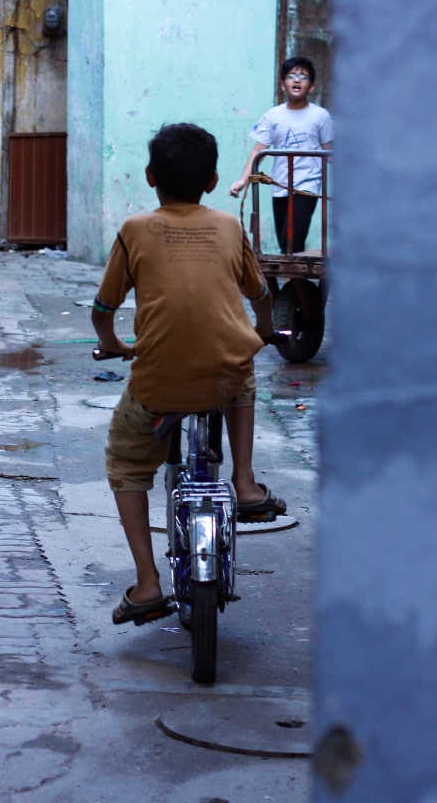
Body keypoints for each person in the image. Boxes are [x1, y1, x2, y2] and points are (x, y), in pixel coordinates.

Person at [92, 122, 286, 626]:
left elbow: (102, 309)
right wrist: (264, 332)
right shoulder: (229, 227)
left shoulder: (135, 230)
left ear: (151, 176)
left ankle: (147, 583)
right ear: (213, 181)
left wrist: (111, 344)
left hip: (157, 384)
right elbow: (261, 295)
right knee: (243, 370)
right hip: (223, 376)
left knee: (126, 460)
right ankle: (244, 482)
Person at [229, 56, 335, 254]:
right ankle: (296, 274)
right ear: (282, 85)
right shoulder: (273, 116)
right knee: (285, 244)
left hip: (307, 186)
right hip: (280, 185)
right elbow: (258, 150)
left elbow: (330, 151)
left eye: (303, 77)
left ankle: (295, 274)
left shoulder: (320, 116)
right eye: (291, 76)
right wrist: (243, 180)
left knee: (292, 239)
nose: (297, 80)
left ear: (311, 87)